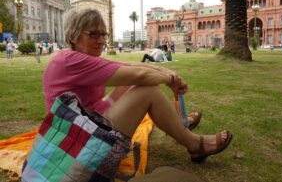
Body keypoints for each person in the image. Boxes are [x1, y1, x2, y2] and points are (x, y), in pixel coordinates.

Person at [43, 9, 232, 167]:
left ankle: (178, 124)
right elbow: (140, 74)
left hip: (85, 126)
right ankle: (195, 145)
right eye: (94, 34)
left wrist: (166, 72)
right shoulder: (70, 61)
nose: (101, 40)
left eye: (103, 34)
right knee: (148, 90)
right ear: (72, 36)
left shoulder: (80, 58)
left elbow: (130, 67)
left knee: (133, 80)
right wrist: (169, 79)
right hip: (79, 145)